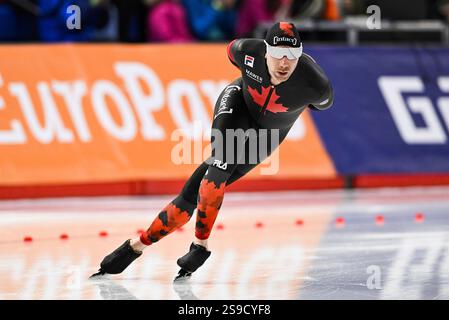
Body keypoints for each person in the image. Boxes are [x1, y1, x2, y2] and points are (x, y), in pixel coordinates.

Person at [90, 21, 334, 281]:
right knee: (220, 165)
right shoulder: (245, 51)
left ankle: (136, 246)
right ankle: (200, 246)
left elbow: (322, 105)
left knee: (191, 195)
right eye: (278, 55)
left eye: (292, 56)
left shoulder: (316, 84)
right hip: (237, 104)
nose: (284, 63)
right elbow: (230, 53)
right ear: (265, 51)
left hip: (266, 137)